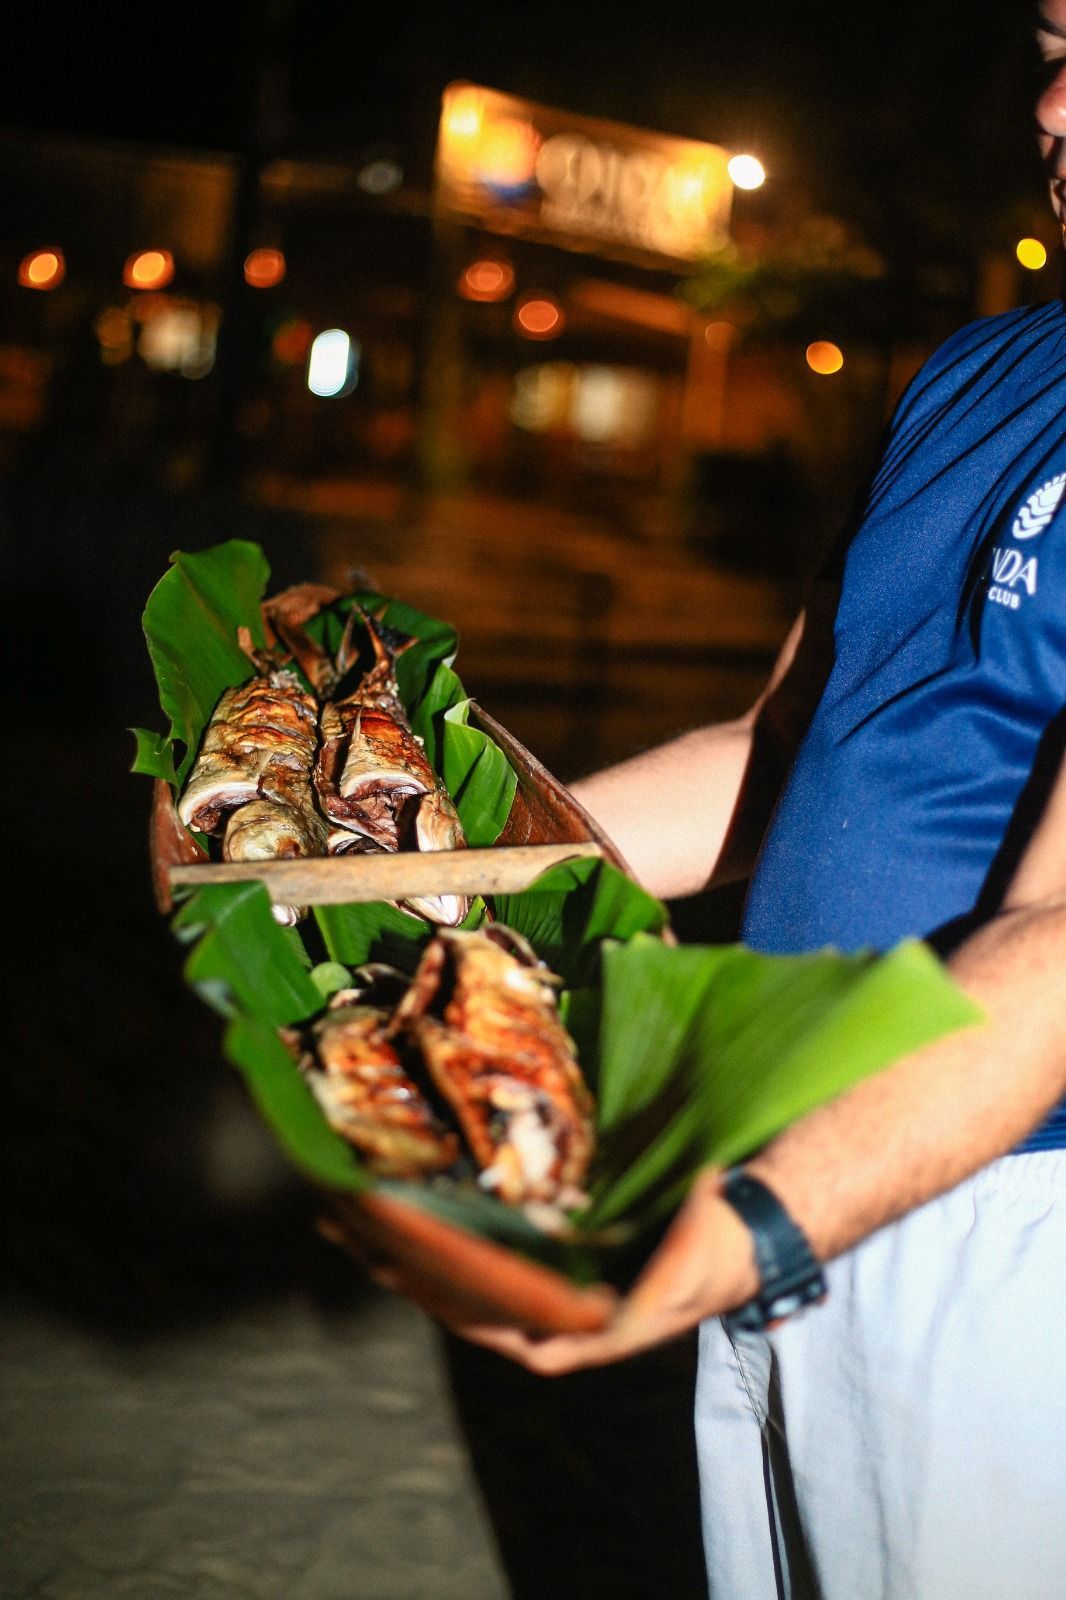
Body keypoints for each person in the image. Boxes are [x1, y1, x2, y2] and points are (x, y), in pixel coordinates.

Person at [401, 9, 1066, 1597]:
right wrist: (404, 862)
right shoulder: (985, 368)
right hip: (790, 1173)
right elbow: (774, 753)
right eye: (1049, 37)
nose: (1052, 99)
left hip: (997, 1218)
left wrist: (745, 1221)